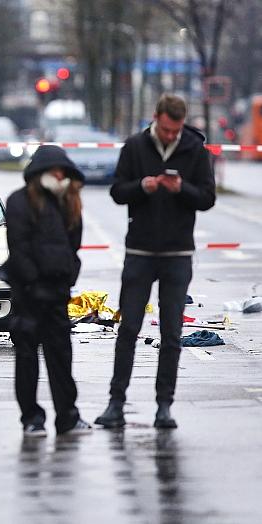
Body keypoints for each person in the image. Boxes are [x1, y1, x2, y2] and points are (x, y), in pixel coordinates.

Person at [95, 94, 216, 429]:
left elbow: (207, 198)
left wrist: (182, 190)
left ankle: (165, 406)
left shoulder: (195, 150)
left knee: (172, 333)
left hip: (178, 253)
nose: (169, 136)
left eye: (174, 131)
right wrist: (143, 186)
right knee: (129, 328)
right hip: (140, 252)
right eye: (164, 130)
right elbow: (117, 191)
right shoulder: (134, 146)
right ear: (156, 118)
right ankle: (115, 403)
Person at [1, 145, 91, 437]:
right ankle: (31, 418)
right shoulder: (19, 202)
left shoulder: (69, 202)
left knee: (61, 358)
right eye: (55, 170)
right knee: (27, 358)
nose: (60, 175)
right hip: (28, 295)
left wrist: (66, 278)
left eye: (63, 171)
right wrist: (31, 282)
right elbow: (19, 247)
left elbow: (72, 247)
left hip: (56, 294)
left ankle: (67, 416)